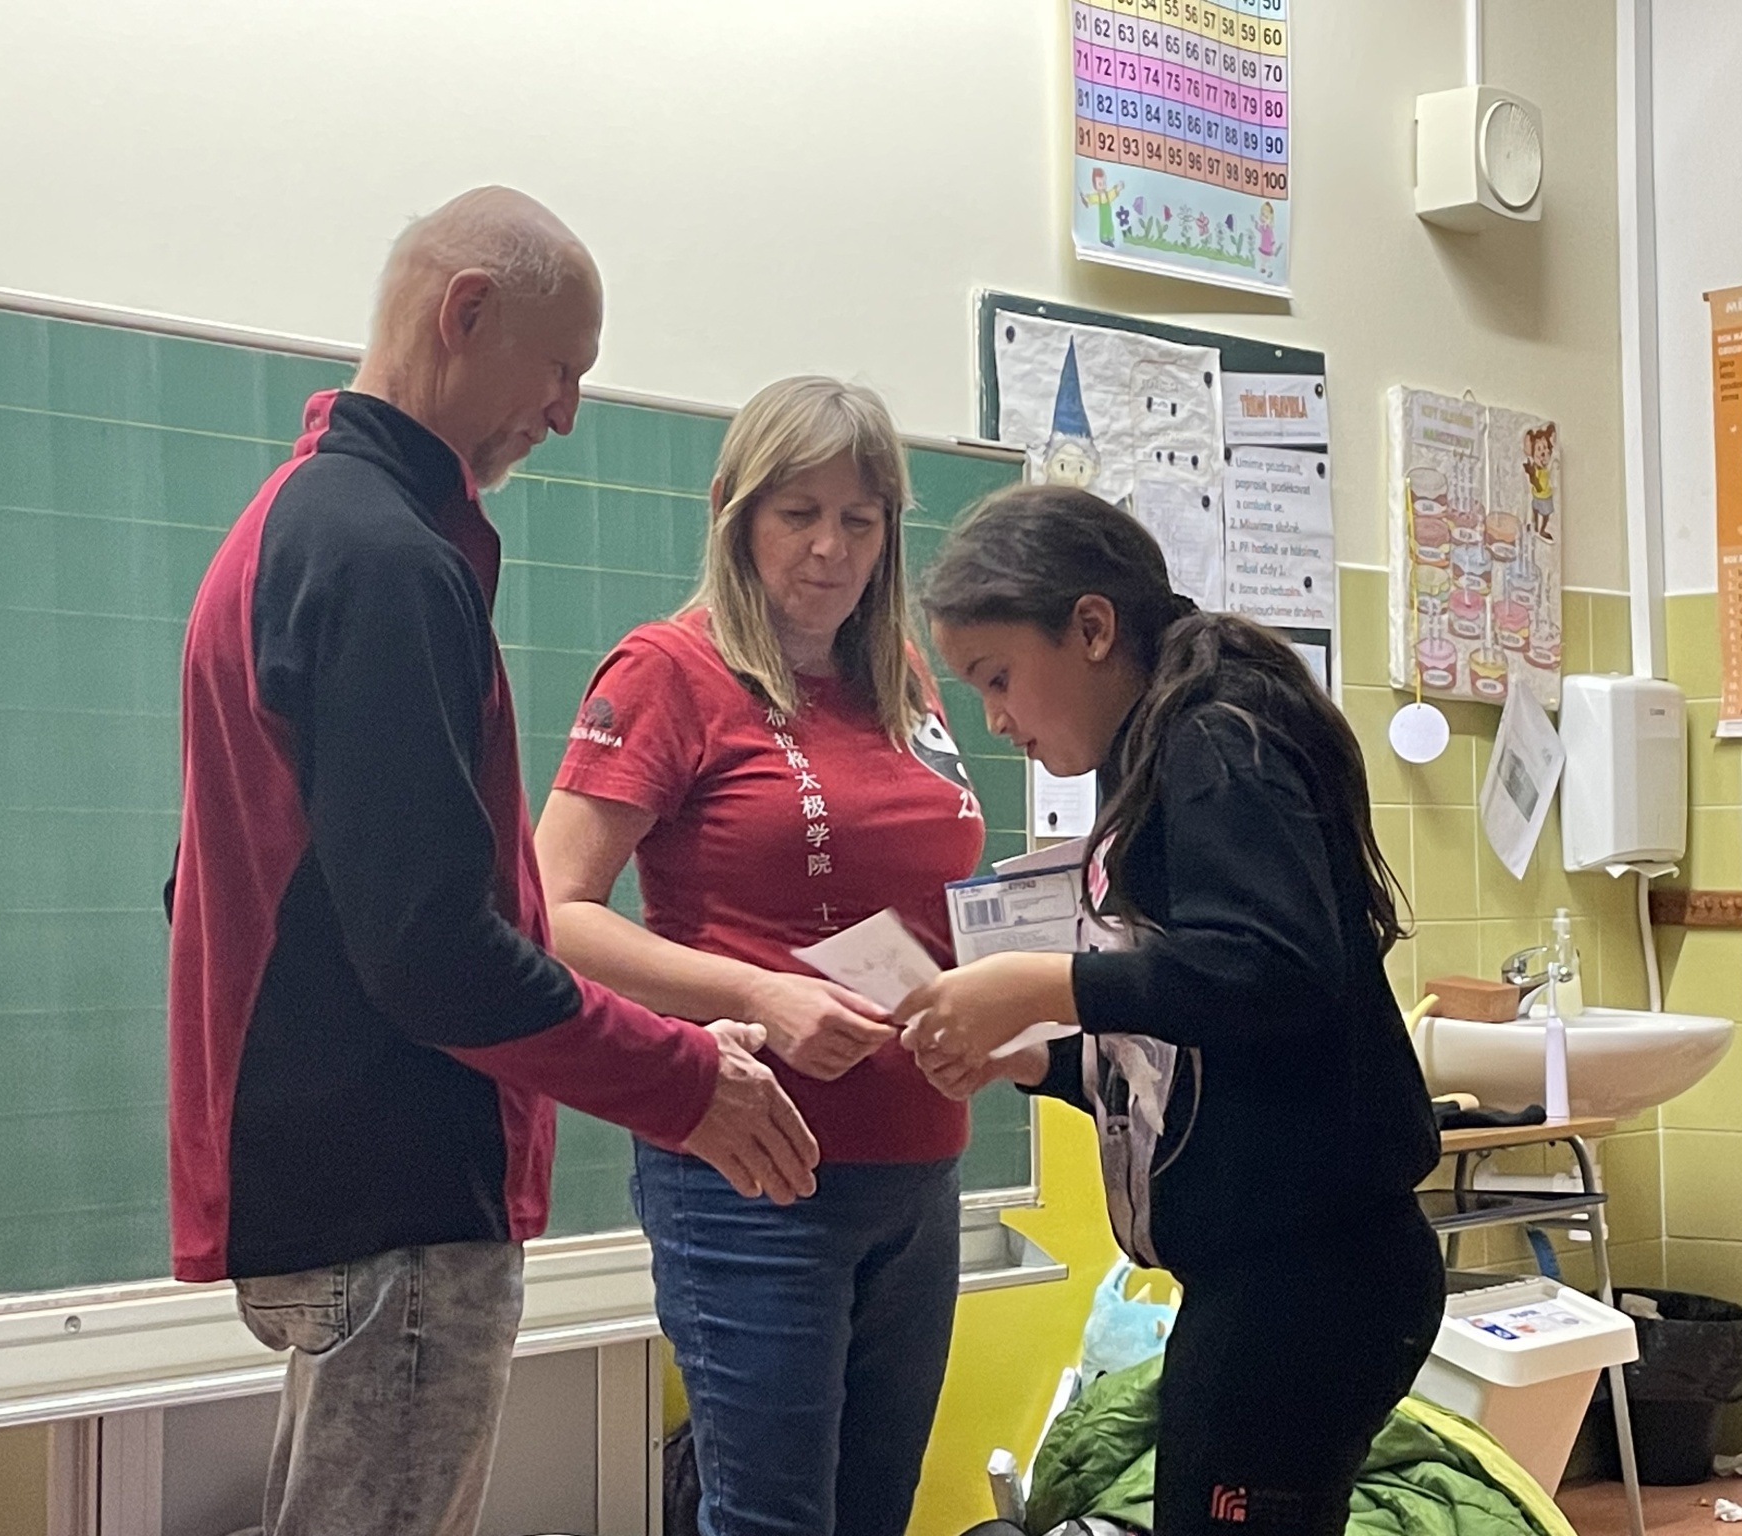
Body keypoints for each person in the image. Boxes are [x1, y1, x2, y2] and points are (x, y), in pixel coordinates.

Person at [166, 187, 817, 1536]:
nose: (567, 415)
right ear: (466, 313)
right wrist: (680, 1078)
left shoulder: (295, 524)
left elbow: (225, 886)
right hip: (393, 1198)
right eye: (560, 370)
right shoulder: (381, 558)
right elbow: (430, 950)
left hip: (338, 1184)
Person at [899, 484, 1444, 1536]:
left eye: (999, 678)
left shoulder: (1213, 737)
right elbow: (1192, 1053)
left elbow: (1273, 970)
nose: (996, 720)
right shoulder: (1161, 749)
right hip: (1277, 1274)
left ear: (1092, 628)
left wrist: (1041, 983)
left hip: (1312, 1276)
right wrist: (1037, 1058)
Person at [534, 376, 988, 1536]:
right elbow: (551, 910)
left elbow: (920, 898)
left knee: (874, 1512)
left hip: (919, 1165)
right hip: (754, 1169)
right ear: (733, 511)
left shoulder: (899, 674)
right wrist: (755, 993)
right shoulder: (666, 670)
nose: (830, 549)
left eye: (859, 519)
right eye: (798, 514)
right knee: (770, 1519)